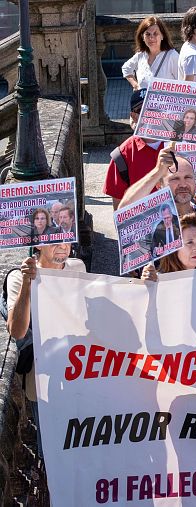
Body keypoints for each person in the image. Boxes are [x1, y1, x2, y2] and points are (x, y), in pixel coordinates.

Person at [6, 243, 86, 423]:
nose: (63, 246)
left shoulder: (78, 267)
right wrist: (27, 284)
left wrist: (147, 288)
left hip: (78, 372)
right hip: (44, 380)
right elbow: (17, 331)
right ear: (39, 245)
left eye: (67, 237)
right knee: (50, 443)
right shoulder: (18, 278)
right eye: (54, 240)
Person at [120, 146, 196, 265]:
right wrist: (158, 171)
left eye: (188, 177)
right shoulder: (151, 223)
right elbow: (123, 213)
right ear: (159, 185)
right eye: (175, 179)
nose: (183, 184)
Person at [104, 90, 165, 209]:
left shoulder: (180, 146)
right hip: (142, 225)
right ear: (133, 116)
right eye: (142, 111)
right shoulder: (121, 156)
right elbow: (119, 210)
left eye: (154, 110)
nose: (149, 115)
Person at [121, 16, 179, 91]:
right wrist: (135, 85)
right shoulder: (141, 55)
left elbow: (183, 83)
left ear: (162, 36)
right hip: (144, 102)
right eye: (147, 34)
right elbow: (126, 68)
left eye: (155, 34)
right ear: (142, 37)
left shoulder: (172, 56)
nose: (151, 38)